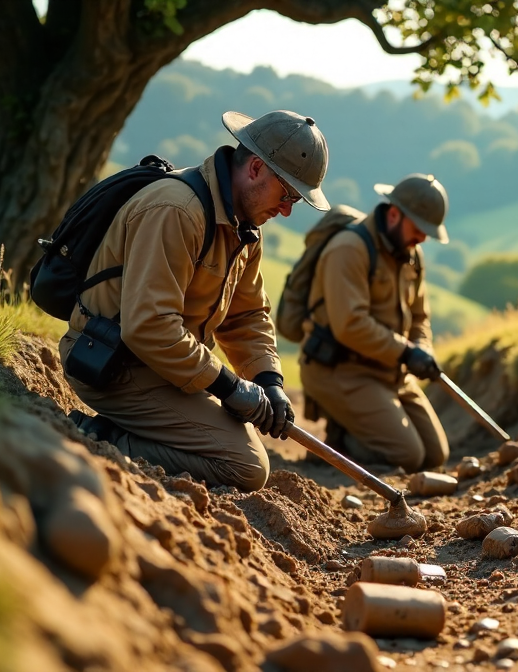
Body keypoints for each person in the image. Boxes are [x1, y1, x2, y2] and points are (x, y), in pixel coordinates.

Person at [63, 110, 330, 492]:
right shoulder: (176, 210)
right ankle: (99, 435)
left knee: (247, 457)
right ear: (255, 168)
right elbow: (150, 326)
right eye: (287, 194)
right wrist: (228, 386)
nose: (287, 209)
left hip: (167, 367)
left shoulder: (245, 226)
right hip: (114, 363)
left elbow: (248, 315)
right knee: (246, 467)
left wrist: (268, 381)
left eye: (296, 202)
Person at [299, 174, 451, 472]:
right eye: (419, 230)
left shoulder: (411, 255)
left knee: (435, 456)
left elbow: (420, 316)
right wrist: (407, 353)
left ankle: (355, 428)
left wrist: (422, 346)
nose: (422, 239)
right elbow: (350, 325)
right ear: (394, 214)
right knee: (408, 456)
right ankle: (338, 441)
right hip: (339, 370)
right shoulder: (349, 248)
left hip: (389, 370)